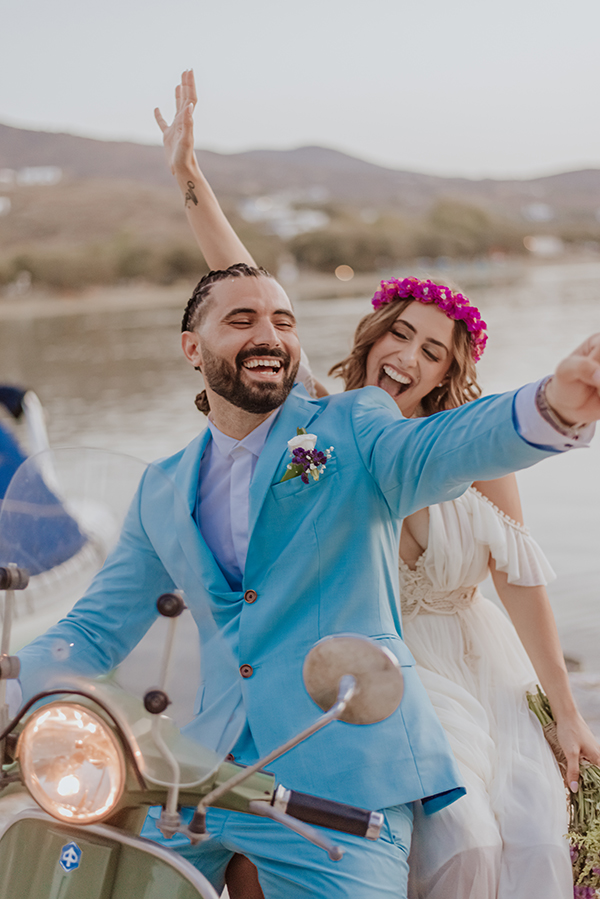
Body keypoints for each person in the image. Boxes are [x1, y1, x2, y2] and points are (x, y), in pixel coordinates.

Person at [154, 72, 600, 898]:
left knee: (525, 826)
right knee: (443, 831)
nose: (412, 357)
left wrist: (566, 709)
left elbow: (521, 577)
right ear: (373, 336)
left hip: (471, 661)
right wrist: (188, 176)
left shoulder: (469, 451)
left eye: (434, 352)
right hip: (363, 661)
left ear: (446, 375)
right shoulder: (320, 416)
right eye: (403, 334)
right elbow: (240, 275)